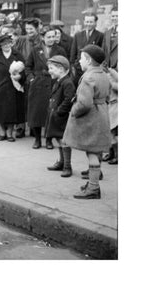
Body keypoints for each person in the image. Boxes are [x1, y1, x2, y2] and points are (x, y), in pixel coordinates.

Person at [63, 45, 111, 199]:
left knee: (91, 152)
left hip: (91, 118)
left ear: (89, 60)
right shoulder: (103, 74)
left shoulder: (88, 77)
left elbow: (84, 103)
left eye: (81, 58)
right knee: (96, 151)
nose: (79, 61)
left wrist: (74, 111)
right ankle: (92, 182)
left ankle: (93, 188)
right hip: (102, 114)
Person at [25, 26, 67, 149]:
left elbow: (66, 67)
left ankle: (48, 139)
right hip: (38, 85)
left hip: (54, 84)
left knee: (51, 112)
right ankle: (37, 139)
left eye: (53, 36)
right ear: (42, 37)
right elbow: (28, 67)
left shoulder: (60, 50)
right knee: (36, 113)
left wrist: (61, 80)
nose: (51, 39)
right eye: (49, 37)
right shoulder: (35, 50)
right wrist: (31, 79)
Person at [0, 34, 25, 142]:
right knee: (0, 111)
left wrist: (20, 77)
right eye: (4, 44)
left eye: (9, 43)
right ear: (0, 45)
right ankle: (2, 132)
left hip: (14, 87)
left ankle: (10, 133)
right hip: (0, 87)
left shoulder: (17, 54)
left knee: (12, 111)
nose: (7, 45)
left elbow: (24, 69)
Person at [45, 55, 76, 177]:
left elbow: (69, 99)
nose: (49, 71)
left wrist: (59, 111)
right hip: (56, 116)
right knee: (59, 139)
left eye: (51, 68)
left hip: (62, 117)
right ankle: (62, 162)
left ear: (61, 69)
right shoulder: (59, 81)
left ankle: (67, 166)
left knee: (64, 141)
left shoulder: (67, 83)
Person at [70, 13, 104, 85]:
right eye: (87, 22)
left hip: (93, 69)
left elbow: (101, 53)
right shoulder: (78, 35)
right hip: (78, 69)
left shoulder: (100, 35)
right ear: (84, 22)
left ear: (95, 23)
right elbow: (73, 53)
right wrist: (73, 66)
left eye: (91, 22)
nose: (88, 24)